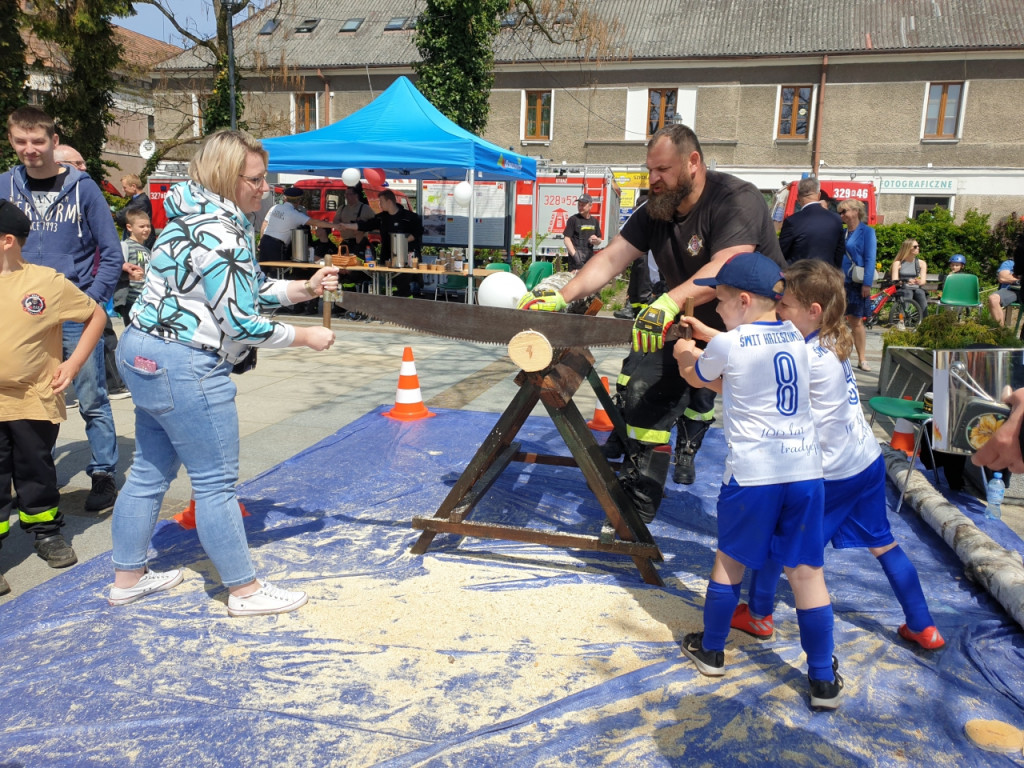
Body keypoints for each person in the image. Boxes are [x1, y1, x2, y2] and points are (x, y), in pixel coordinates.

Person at [108, 129, 340, 616]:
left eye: (265, 179)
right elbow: (242, 321)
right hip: (186, 363)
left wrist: (305, 289)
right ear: (225, 177)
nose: (265, 189)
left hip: (141, 353)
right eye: (255, 180)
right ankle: (244, 591)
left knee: (149, 472)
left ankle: (127, 577)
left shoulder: (186, 217)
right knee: (215, 483)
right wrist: (305, 337)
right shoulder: (224, 231)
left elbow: (248, 287)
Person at [517, 123, 784, 518]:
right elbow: (612, 256)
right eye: (650, 170)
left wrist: (669, 301)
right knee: (643, 389)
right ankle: (640, 496)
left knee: (748, 424)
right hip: (685, 319)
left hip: (748, 329)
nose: (653, 179)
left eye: (662, 170)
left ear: (693, 162)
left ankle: (759, 510)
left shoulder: (735, 198)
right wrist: (564, 293)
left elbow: (727, 263)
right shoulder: (655, 209)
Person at [731, 259, 944, 651]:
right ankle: (924, 625)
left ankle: (759, 615)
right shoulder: (833, 337)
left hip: (831, 473)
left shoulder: (803, 356)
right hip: (865, 460)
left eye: (786, 306)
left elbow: (748, 382)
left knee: (782, 541)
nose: (777, 311)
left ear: (813, 311)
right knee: (883, 543)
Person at [672, 251, 841, 711]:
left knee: (728, 563)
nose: (716, 311)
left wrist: (687, 350)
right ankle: (823, 678)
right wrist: (715, 337)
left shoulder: (729, 345)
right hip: (805, 474)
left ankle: (711, 648)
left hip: (754, 476)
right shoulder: (798, 337)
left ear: (744, 300)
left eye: (721, 302)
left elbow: (700, 376)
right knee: (808, 574)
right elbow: (748, 379)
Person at [2, 106, 123, 513]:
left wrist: (93, 298)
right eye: (21, 141)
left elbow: (111, 250)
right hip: (20, 313)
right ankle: (35, 476)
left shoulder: (83, 189)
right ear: (11, 141)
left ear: (54, 142)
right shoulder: (5, 185)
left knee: (90, 395)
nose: (30, 149)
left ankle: (103, 472)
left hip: (70, 309)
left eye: (38, 141)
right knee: (30, 397)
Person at [0, 199, 108, 585]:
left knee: (36, 470)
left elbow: (96, 315)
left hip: (33, 398)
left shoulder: (45, 282)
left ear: (7, 240)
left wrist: (74, 363)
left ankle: (46, 533)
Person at [52, 143, 130, 403]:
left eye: (83, 162)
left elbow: (109, 249)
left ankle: (115, 384)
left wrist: (94, 296)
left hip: (84, 296)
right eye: (78, 163)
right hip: (44, 304)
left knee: (94, 391)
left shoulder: (87, 193)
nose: (84, 167)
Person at [338, 189, 423, 296]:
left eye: (381, 201)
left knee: (403, 286)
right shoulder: (382, 218)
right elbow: (365, 225)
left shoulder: (409, 217)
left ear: (389, 202)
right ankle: (387, 307)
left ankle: (406, 309)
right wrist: (346, 226)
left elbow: (418, 231)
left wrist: (401, 241)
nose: (379, 204)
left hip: (406, 259)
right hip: (387, 258)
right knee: (387, 285)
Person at [839, 198, 876, 372]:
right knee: (837, 319)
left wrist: (867, 283)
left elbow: (870, 259)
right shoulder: (843, 232)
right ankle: (840, 354)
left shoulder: (867, 232)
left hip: (857, 282)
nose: (842, 215)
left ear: (855, 211)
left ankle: (862, 358)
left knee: (856, 321)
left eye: (844, 211)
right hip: (841, 280)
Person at [778, 177, 845, 268]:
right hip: (827, 276)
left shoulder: (792, 221)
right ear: (818, 195)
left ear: (798, 198)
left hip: (800, 276)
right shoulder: (836, 219)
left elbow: (781, 253)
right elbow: (839, 252)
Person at [257, 186, 332, 262]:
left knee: (263, 268)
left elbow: (265, 224)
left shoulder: (275, 207)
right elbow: (316, 222)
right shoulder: (295, 214)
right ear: (299, 201)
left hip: (265, 240)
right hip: (276, 245)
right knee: (277, 271)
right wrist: (335, 225)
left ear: (285, 198)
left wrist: (261, 239)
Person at [115, 208, 151, 325]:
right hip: (130, 299)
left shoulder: (147, 250)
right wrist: (128, 276)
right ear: (129, 228)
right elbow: (115, 268)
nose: (146, 229)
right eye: (142, 226)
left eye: (148, 226)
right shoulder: (125, 246)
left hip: (145, 299)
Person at [889, 238, 929, 327]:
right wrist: (905, 281)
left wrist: (918, 281)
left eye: (918, 246)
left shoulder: (921, 263)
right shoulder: (898, 263)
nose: (918, 248)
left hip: (916, 287)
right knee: (907, 292)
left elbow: (923, 281)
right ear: (908, 248)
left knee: (920, 293)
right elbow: (894, 281)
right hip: (902, 288)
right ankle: (901, 321)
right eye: (915, 246)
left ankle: (925, 321)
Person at [562, 192, 602, 271]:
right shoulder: (573, 219)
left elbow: (599, 240)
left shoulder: (594, 221)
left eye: (583, 205)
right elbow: (566, 239)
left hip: (589, 259)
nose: (580, 207)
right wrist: (575, 256)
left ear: (590, 206)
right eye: (579, 205)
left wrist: (596, 240)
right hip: (575, 261)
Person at [332, 184, 374, 257]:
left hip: (359, 242)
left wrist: (362, 223)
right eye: (346, 194)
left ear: (356, 195)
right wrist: (341, 225)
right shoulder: (342, 208)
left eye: (349, 194)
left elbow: (374, 222)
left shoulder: (365, 208)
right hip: (345, 242)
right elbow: (335, 222)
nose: (347, 196)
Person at [115, 174, 156, 249]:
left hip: (141, 245)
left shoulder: (140, 202)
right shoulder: (137, 200)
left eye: (124, 187)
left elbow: (120, 217)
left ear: (133, 186)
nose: (123, 190)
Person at [987, 255, 1020, 327]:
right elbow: (1003, 278)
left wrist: (1012, 277)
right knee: (993, 299)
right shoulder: (1009, 263)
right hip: (1011, 290)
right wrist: (1018, 280)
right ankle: (1001, 332)